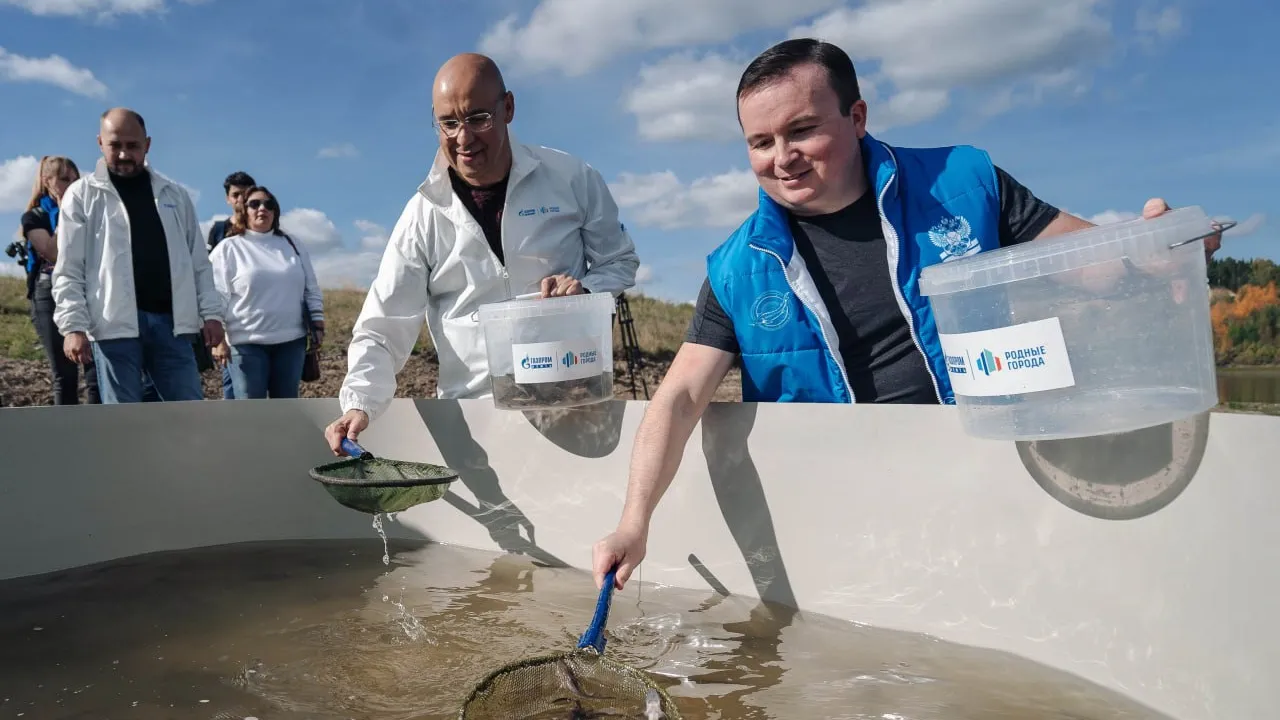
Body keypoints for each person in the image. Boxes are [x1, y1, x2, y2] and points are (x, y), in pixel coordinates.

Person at [589, 38, 1224, 591]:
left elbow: (1090, 259)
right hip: (844, 506)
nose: (782, 157)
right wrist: (633, 521)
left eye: (802, 129)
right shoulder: (736, 268)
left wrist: (1153, 251)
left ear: (856, 116)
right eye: (760, 141)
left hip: (988, 474)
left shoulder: (964, 183)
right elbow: (675, 401)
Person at [322, 52, 640, 453]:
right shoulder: (423, 214)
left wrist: (587, 292)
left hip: (570, 401)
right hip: (473, 419)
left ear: (507, 107)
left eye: (478, 118)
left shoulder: (572, 178)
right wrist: (359, 404)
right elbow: (384, 325)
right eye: (449, 123)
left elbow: (619, 261)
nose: (463, 138)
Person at [52, 107, 226, 404]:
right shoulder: (82, 195)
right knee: (123, 424)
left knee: (190, 416)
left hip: (173, 325)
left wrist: (211, 313)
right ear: (99, 143)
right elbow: (69, 268)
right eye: (115, 145)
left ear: (147, 144)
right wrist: (73, 326)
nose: (123, 154)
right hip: (112, 328)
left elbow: (199, 262)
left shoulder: (175, 195)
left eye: (132, 146)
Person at [210, 185, 325, 399]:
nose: (262, 208)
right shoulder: (228, 248)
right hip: (246, 343)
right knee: (250, 414)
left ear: (275, 211)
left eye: (268, 204)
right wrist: (218, 340)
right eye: (254, 204)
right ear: (244, 210)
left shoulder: (292, 244)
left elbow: (311, 287)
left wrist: (317, 322)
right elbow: (217, 296)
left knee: (286, 410)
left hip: (291, 342)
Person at [18, 155, 101, 405]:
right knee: (64, 375)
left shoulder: (88, 212)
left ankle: (101, 433)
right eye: (65, 179)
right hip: (48, 293)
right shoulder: (34, 216)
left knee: (96, 372)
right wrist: (66, 210)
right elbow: (52, 251)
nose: (72, 184)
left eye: (76, 179)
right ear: (47, 181)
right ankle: (67, 438)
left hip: (87, 291)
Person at [206, 170, 257, 400]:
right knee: (231, 387)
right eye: (236, 195)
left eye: (246, 195)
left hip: (257, 323)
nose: (241, 200)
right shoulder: (218, 230)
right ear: (228, 198)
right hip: (229, 320)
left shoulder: (262, 229)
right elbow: (212, 280)